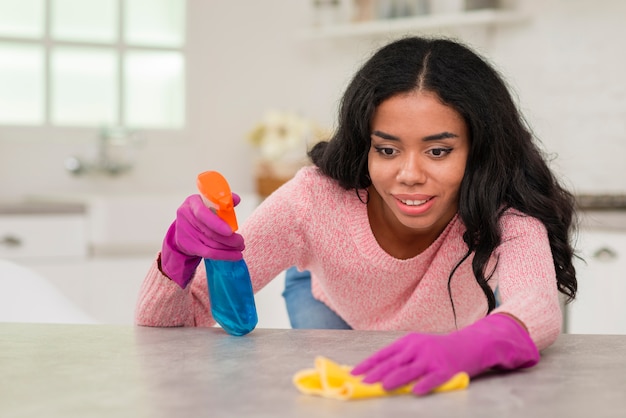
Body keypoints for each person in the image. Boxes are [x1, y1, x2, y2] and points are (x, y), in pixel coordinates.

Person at [135, 36, 578, 395]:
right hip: (330, 303)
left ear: (478, 151)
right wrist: (175, 256)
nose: (409, 175)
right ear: (365, 144)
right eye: (386, 149)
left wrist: (463, 350)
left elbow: (536, 307)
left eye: (438, 151)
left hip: (454, 330)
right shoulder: (313, 200)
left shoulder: (504, 214)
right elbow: (177, 324)